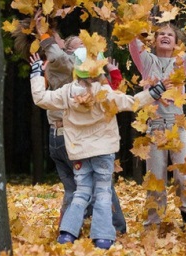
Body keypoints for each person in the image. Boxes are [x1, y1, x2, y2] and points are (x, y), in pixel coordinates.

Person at [28, 49, 169, 249]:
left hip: (78, 151)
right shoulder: (104, 93)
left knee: (81, 191)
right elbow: (132, 102)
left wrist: (36, 73)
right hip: (103, 151)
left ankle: (67, 233)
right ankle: (102, 237)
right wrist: (155, 91)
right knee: (102, 192)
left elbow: (40, 98)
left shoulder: (67, 92)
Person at [12, 14, 127, 234]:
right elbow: (57, 55)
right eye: (61, 42)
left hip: (58, 137)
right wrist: (44, 33)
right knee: (101, 185)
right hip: (71, 138)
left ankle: (68, 231)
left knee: (74, 190)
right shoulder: (64, 66)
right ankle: (115, 228)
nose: (60, 41)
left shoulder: (62, 68)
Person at [128, 8, 186, 227]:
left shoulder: (183, 62)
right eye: (161, 33)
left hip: (177, 129)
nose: (165, 36)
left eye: (170, 34)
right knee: (156, 179)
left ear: (177, 42)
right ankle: (153, 223)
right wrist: (138, 15)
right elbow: (133, 41)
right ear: (154, 40)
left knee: (183, 176)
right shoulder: (146, 61)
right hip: (155, 129)